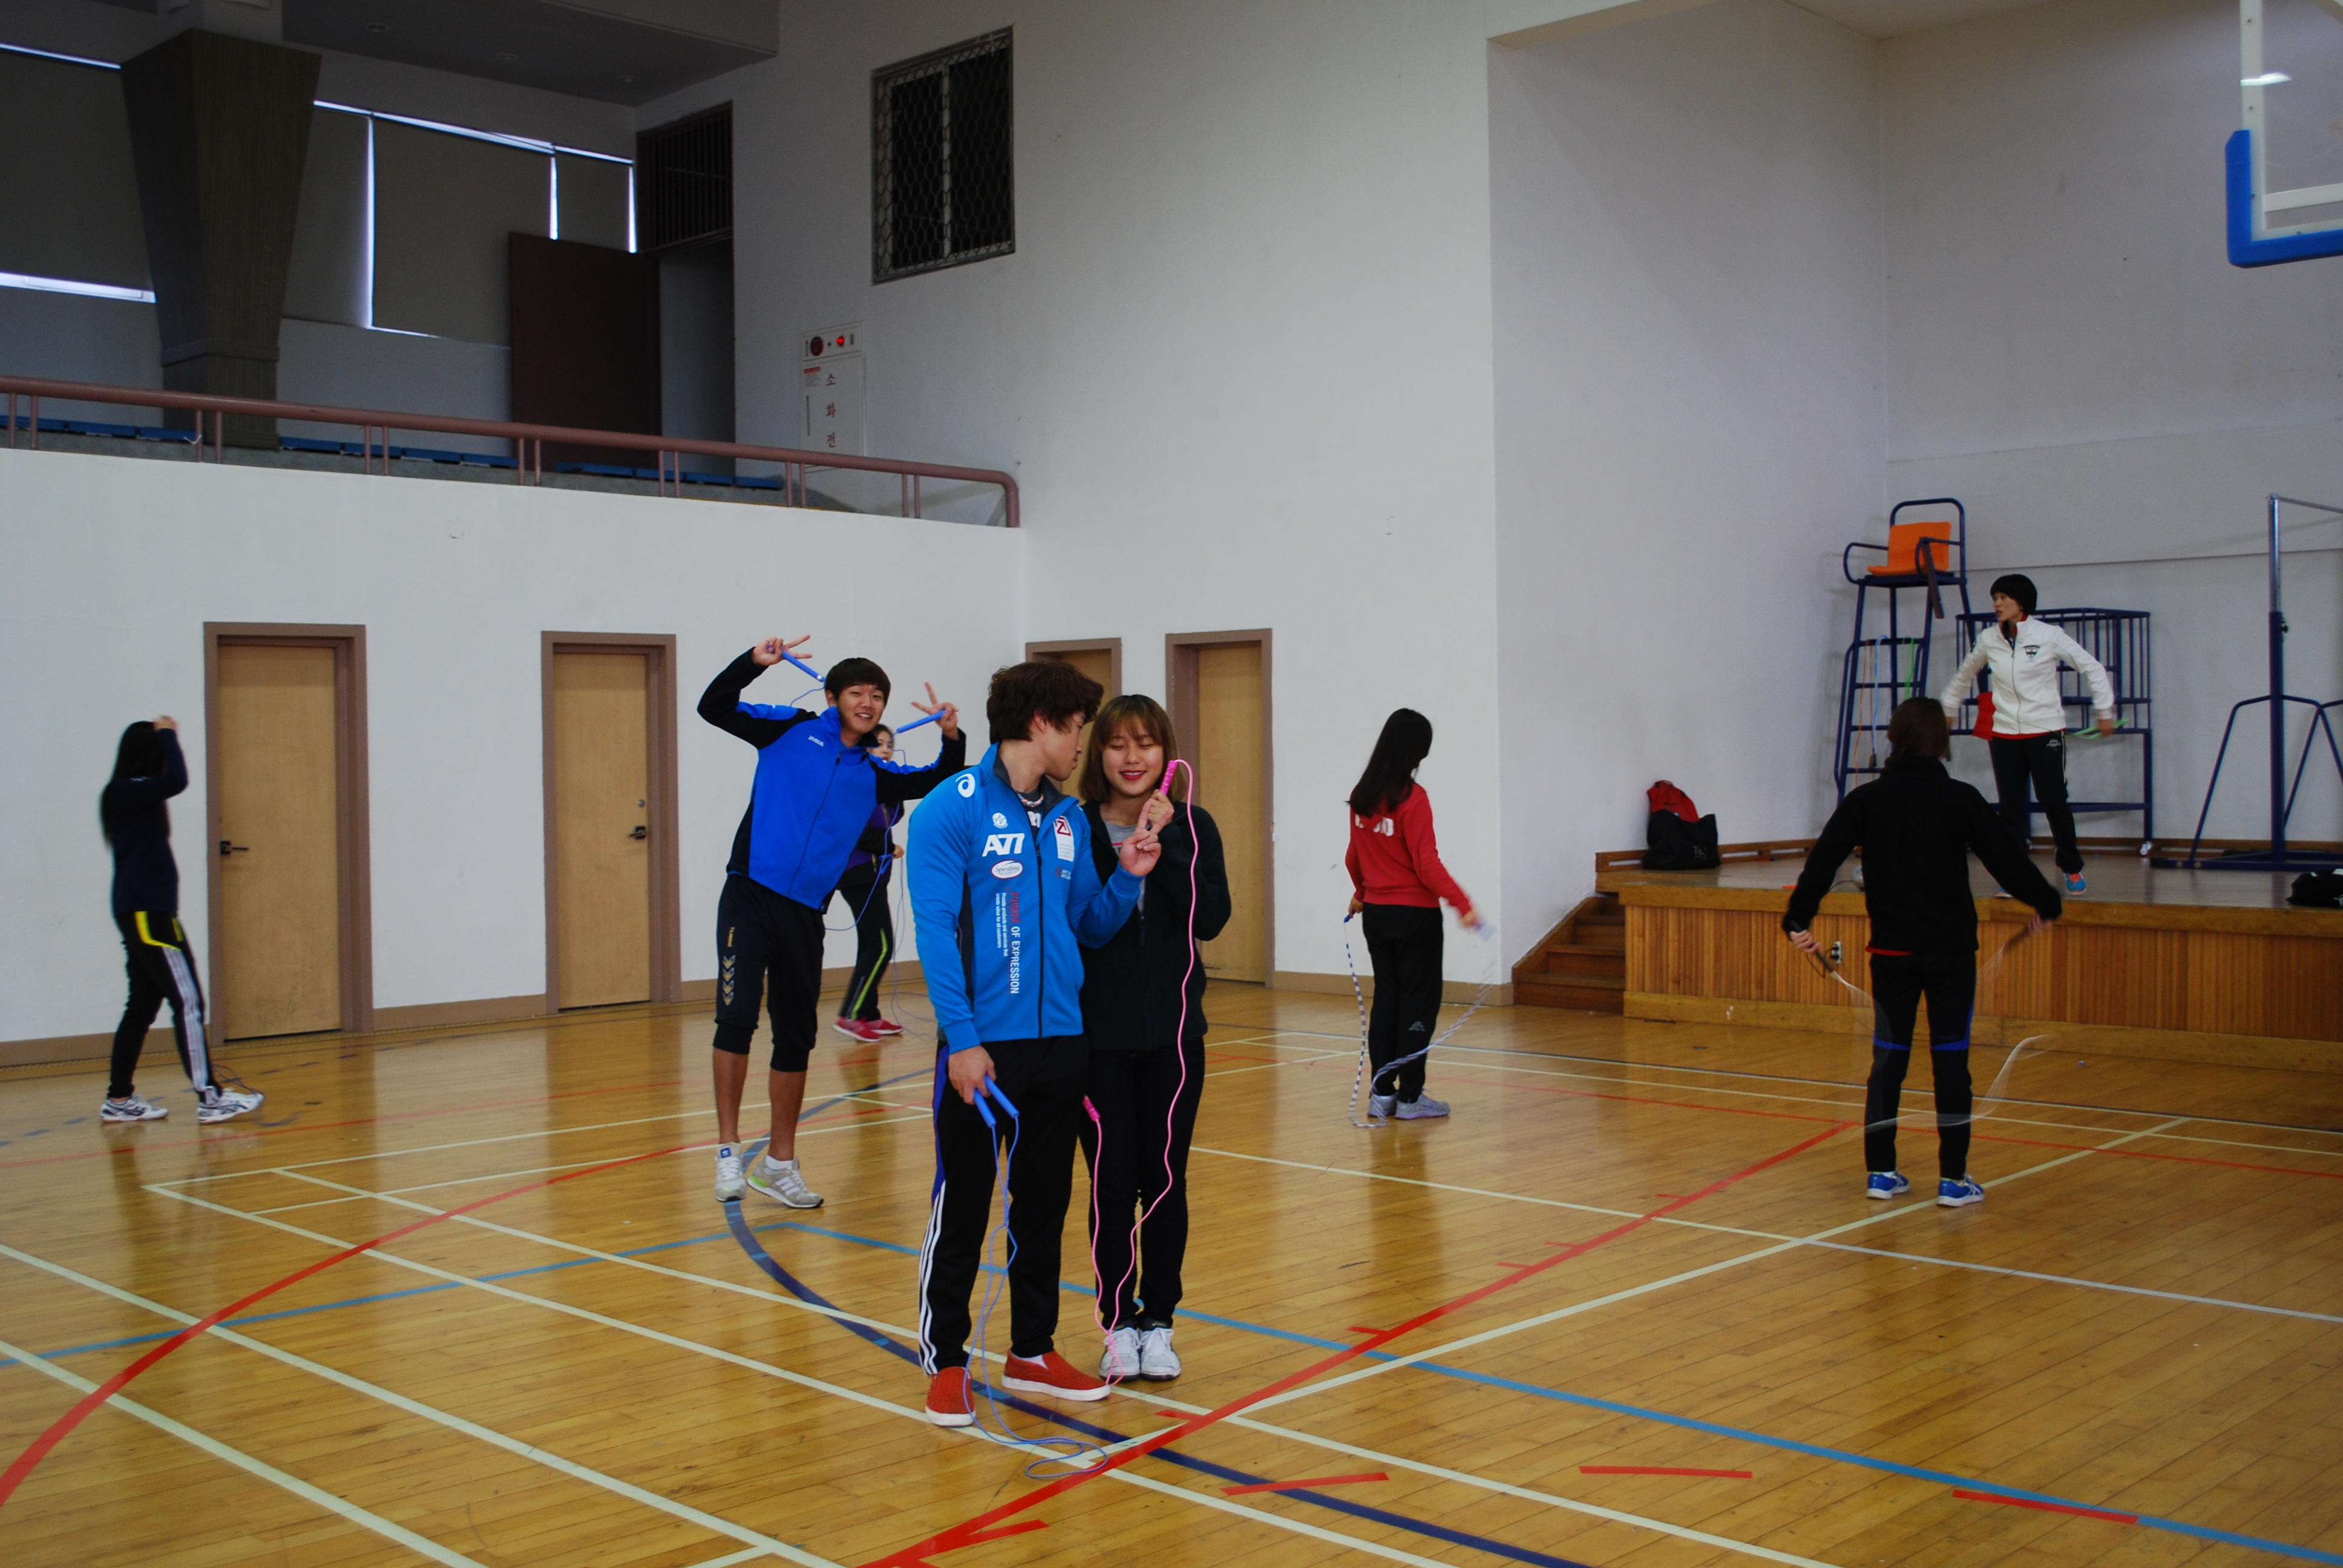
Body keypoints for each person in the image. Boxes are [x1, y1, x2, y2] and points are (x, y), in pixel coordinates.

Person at [906, 661, 1161, 1426]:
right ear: (1043, 723)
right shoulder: (949, 809)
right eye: (1078, 727)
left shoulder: (1067, 820)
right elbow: (934, 935)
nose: (1083, 743)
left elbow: (1088, 925)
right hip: (983, 1051)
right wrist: (961, 1041)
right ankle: (947, 1360)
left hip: (1062, 1045)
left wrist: (1127, 877)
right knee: (963, 1206)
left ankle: (1031, 1350)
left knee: (1043, 1206)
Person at [699, 639, 964, 1208]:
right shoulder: (788, 729)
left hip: (804, 914)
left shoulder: (875, 772)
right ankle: (727, 1150)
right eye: (856, 693)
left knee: (796, 1037)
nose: (867, 703)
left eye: (877, 696)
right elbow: (713, 707)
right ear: (832, 698)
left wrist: (952, 737)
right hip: (749, 897)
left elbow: (940, 779)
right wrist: (752, 663)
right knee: (737, 1018)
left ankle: (780, 1164)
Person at [1783, 697, 2061, 1209]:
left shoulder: (1868, 800)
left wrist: (1798, 919)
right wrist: (2046, 903)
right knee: (1951, 1060)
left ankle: (1881, 1172)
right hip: (1950, 953)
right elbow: (2007, 859)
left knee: (1888, 1061)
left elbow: (1822, 861)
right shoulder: (1960, 798)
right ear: (1941, 742)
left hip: (1892, 953)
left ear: (1894, 738)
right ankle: (1953, 1179)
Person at [1074, 695, 1231, 1382]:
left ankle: (1159, 1322)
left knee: (1164, 1182)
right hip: (1095, 1042)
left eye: (1145, 742)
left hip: (1174, 1038)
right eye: (1117, 743)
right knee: (1112, 1185)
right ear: (1098, 753)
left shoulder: (1194, 826)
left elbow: (1212, 917)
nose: (1131, 756)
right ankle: (1116, 1325)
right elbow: (1079, 927)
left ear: (1166, 753)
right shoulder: (1073, 826)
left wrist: (1165, 848)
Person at [98, 717, 263, 1125]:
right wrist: (169, 734)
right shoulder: (126, 790)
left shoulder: (135, 795)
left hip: (145, 911)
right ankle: (211, 1098)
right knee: (188, 1000)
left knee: (142, 1005)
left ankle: (119, 1099)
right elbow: (177, 780)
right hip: (147, 914)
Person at [1935, 572, 2115, 895]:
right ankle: (2015, 876)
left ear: (2022, 602)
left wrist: (2105, 711)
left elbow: (2093, 668)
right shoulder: (1989, 638)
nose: (1997, 603)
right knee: (2011, 808)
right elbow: (1964, 675)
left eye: (2004, 598)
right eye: (1995, 598)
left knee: (2054, 801)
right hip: (2004, 734)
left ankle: (2071, 867)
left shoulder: (2049, 635)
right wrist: (1948, 708)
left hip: (2044, 731)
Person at [1345, 708, 1480, 1121]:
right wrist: (1463, 903)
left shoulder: (1362, 796)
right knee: (1418, 1003)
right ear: (1415, 752)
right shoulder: (1413, 799)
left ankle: (1381, 1095)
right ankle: (1410, 1098)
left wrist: (1362, 892)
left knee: (1388, 999)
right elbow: (1426, 864)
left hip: (1377, 916)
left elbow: (1354, 856)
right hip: (1415, 917)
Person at [831, 724, 904, 1044]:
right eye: (879, 744)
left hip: (875, 876)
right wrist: (890, 846)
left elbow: (893, 815)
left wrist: (893, 781)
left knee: (872, 943)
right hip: (858, 873)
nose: (886, 749)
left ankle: (868, 1014)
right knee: (881, 944)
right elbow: (857, 830)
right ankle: (850, 1014)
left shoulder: (877, 783)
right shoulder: (855, 783)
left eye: (889, 745)